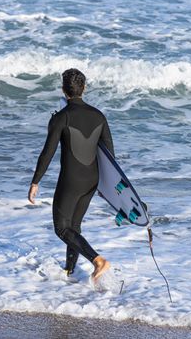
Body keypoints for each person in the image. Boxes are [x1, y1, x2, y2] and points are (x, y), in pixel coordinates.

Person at [28, 68, 114, 281]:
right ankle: (70, 269)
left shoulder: (61, 118)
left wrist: (35, 181)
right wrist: (107, 187)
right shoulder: (99, 116)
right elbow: (110, 156)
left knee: (61, 228)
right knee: (74, 227)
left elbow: (47, 152)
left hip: (71, 180)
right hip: (92, 181)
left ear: (63, 90)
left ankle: (97, 260)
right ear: (84, 88)